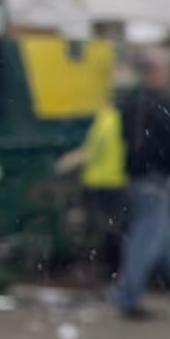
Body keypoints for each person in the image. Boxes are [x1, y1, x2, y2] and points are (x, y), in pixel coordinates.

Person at [108, 48, 170, 320]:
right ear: (156, 72)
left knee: (167, 238)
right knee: (145, 239)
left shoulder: (130, 102)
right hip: (154, 179)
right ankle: (126, 297)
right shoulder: (158, 102)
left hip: (137, 178)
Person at [53, 89, 127, 278]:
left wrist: (66, 163)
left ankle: (109, 267)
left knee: (101, 227)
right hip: (116, 180)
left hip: (98, 181)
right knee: (113, 227)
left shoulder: (105, 121)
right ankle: (115, 268)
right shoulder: (122, 120)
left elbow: (92, 151)